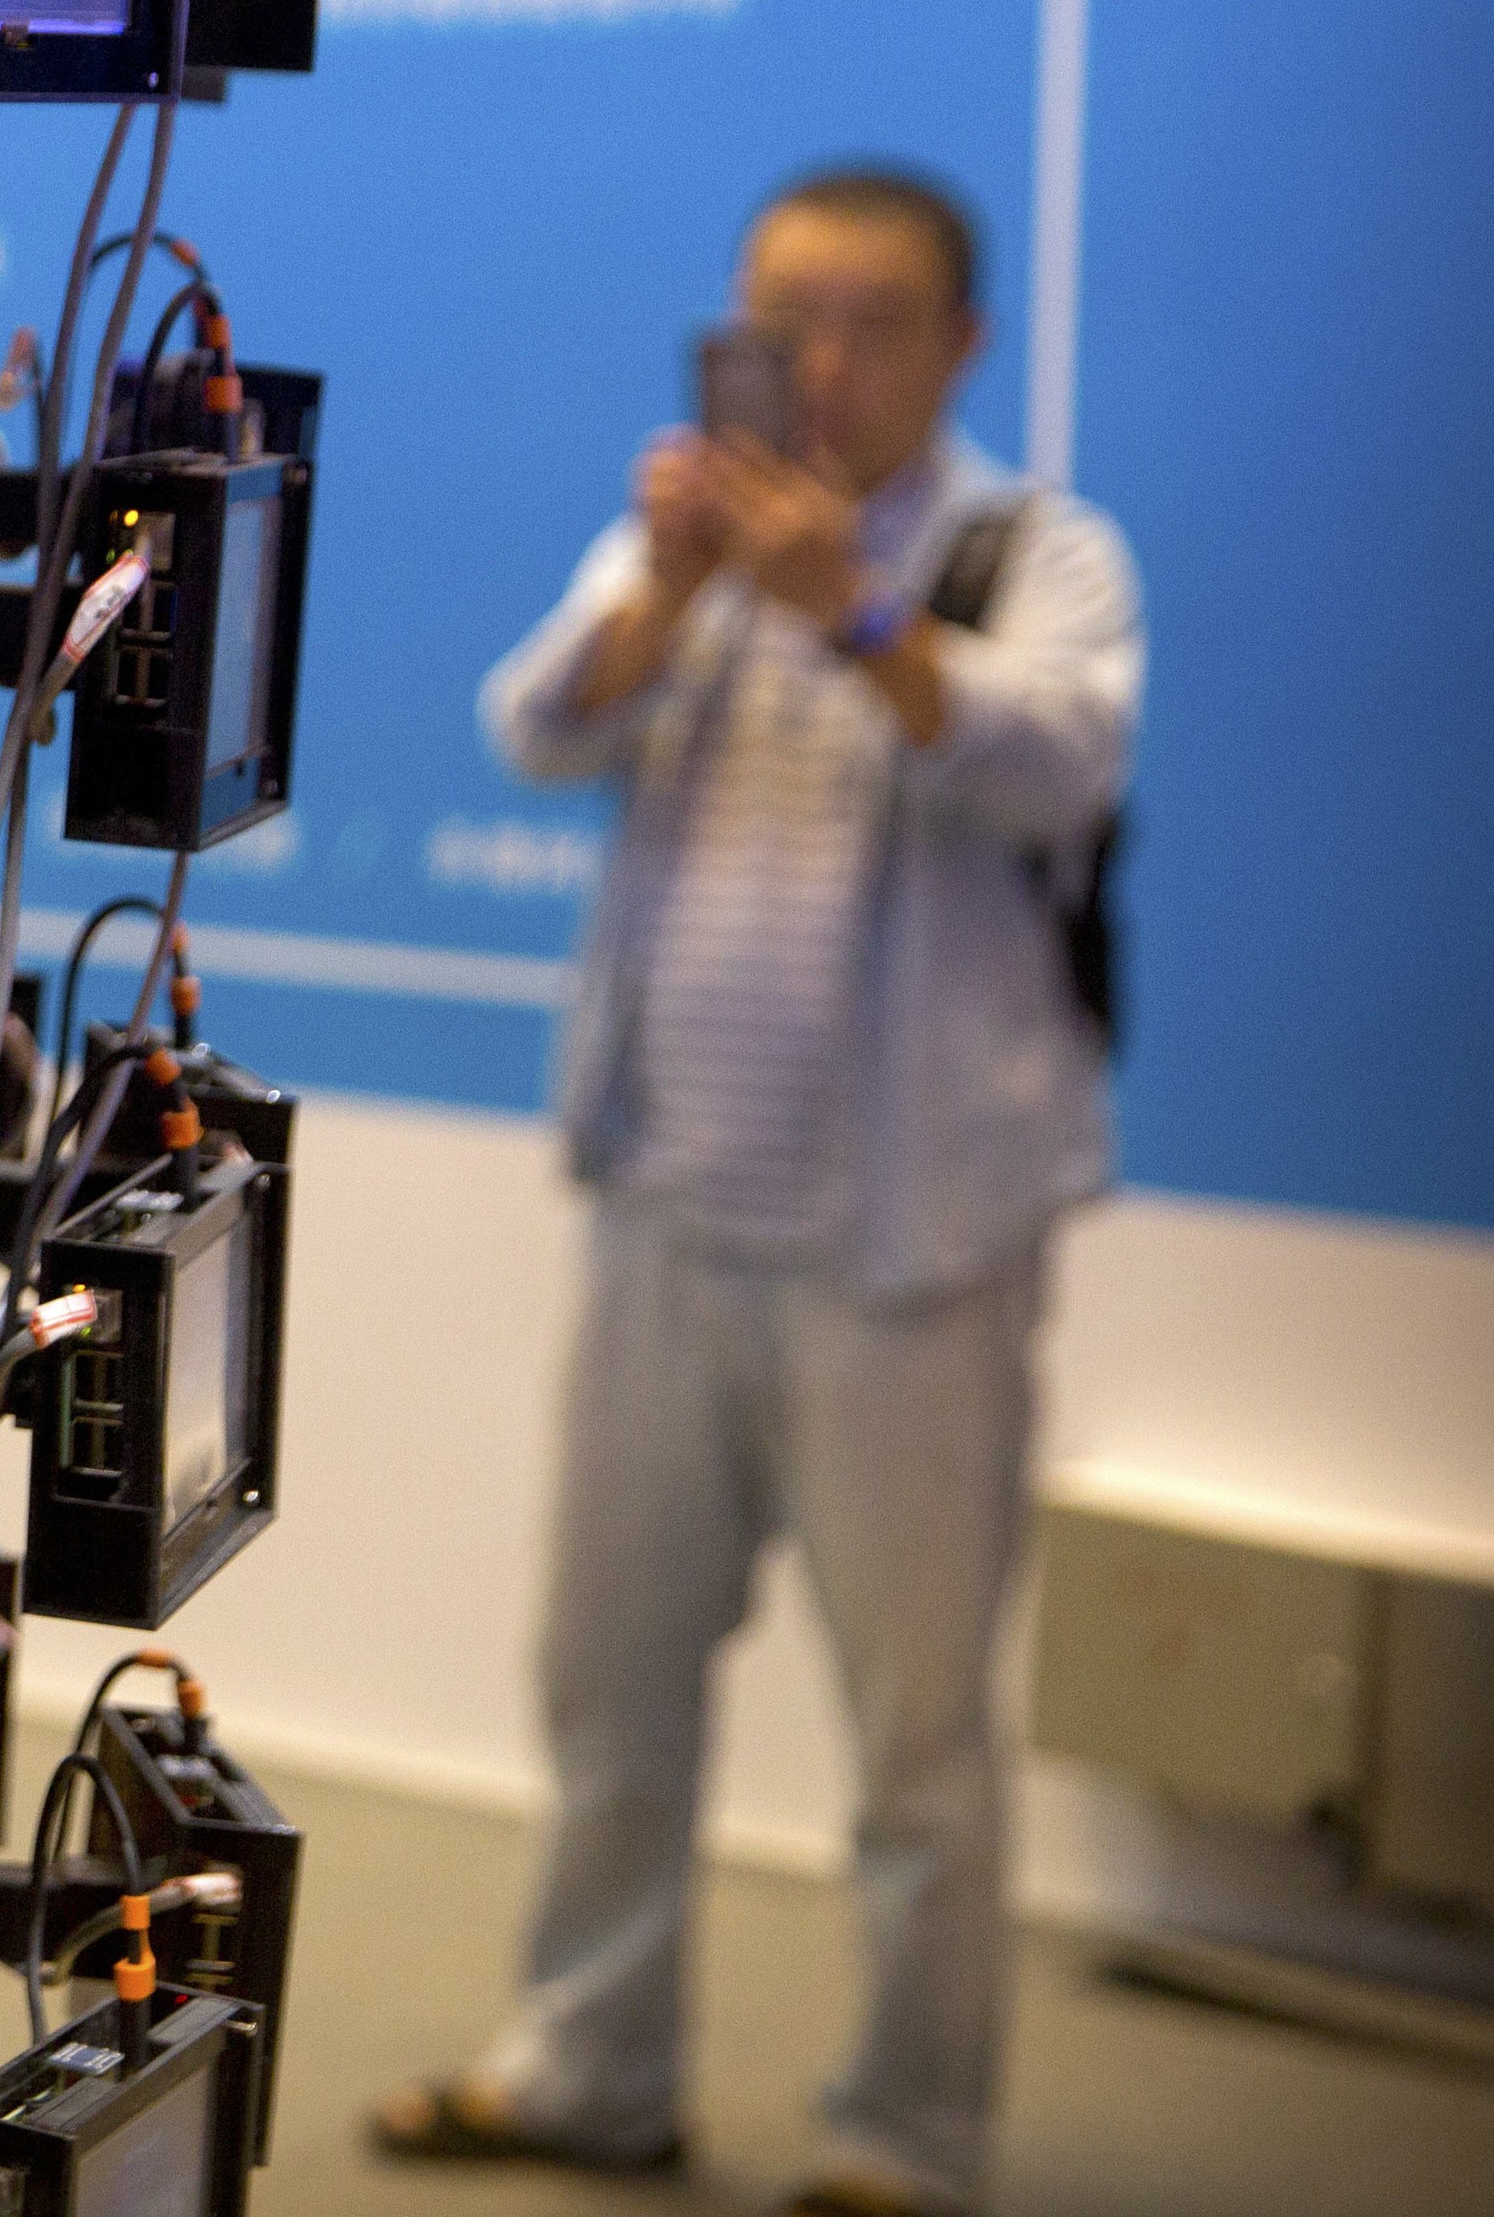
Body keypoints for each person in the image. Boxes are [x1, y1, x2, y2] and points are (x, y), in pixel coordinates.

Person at [369, 167, 1143, 2217]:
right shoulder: (684, 529)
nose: (819, 360)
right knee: (605, 1680)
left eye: (868, 318)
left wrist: (856, 611)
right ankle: (589, 2062)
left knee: (913, 1739)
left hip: (908, 1245)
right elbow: (530, 726)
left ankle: (905, 2134)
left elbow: (1057, 758)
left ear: (956, 343)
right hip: (664, 1205)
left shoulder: (1029, 547)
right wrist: (670, 594)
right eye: (782, 315)